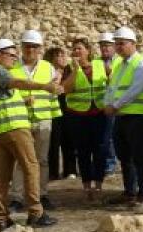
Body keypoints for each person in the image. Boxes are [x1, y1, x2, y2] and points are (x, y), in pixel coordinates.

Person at [0, 38, 61, 230]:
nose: (14, 58)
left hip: (0, 131)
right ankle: (36, 212)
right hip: (14, 128)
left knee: (3, 176)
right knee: (31, 167)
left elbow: (3, 99)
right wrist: (44, 86)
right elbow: (16, 82)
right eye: (11, 55)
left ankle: (2, 218)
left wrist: (23, 101)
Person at [10, 29, 61, 211]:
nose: (30, 49)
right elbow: (8, 93)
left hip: (43, 118)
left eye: (34, 46)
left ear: (40, 48)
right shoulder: (13, 67)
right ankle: (17, 197)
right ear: (21, 47)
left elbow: (54, 91)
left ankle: (42, 194)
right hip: (21, 119)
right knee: (20, 159)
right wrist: (22, 100)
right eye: (27, 46)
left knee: (42, 159)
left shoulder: (48, 68)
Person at [104, 27, 143, 204]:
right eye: (116, 44)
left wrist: (115, 105)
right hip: (121, 116)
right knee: (124, 156)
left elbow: (135, 89)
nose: (118, 47)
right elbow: (113, 88)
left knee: (139, 155)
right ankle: (129, 191)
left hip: (138, 117)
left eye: (122, 43)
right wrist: (107, 103)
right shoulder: (119, 65)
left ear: (133, 44)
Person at [61, 38, 109, 203]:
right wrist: (75, 71)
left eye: (79, 49)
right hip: (78, 116)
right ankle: (87, 186)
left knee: (100, 150)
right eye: (74, 49)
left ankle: (99, 185)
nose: (76, 52)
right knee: (83, 151)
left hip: (99, 114)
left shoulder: (100, 65)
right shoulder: (69, 69)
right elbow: (65, 89)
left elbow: (112, 82)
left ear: (88, 51)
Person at [44, 46, 77, 182]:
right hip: (53, 110)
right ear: (52, 59)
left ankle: (70, 170)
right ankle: (53, 172)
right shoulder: (48, 72)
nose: (63, 58)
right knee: (53, 142)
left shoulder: (71, 71)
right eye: (59, 55)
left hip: (69, 109)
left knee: (69, 140)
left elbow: (69, 88)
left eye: (64, 55)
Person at [97, 31, 120, 177]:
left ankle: (111, 163)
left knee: (110, 137)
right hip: (98, 106)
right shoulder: (96, 62)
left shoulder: (120, 62)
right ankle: (104, 162)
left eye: (108, 45)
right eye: (102, 45)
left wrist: (110, 73)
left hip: (115, 105)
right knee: (102, 137)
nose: (105, 48)